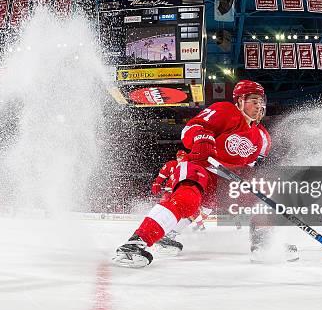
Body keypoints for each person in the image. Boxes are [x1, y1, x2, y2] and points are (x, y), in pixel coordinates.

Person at [112, 80, 272, 267]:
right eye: (253, 100)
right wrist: (202, 139)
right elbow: (191, 128)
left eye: (261, 101)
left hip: (225, 181)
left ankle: (264, 245)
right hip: (201, 167)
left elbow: (251, 166)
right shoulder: (226, 111)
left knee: (262, 200)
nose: (259, 106)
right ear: (239, 101)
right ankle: (134, 244)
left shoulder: (263, 138)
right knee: (187, 200)